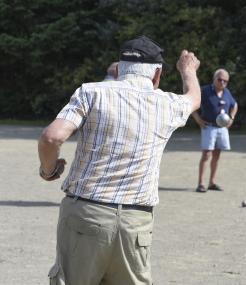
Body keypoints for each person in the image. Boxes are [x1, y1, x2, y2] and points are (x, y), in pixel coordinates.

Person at [38, 35, 201, 284]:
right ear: (157, 75)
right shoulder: (166, 104)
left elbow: (52, 137)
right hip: (135, 223)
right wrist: (187, 70)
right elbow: (194, 98)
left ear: (119, 68)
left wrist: (48, 169)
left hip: (86, 214)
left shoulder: (90, 93)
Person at [191, 69, 238, 192]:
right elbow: (192, 104)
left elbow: (235, 105)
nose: (222, 82)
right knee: (206, 154)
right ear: (214, 79)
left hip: (222, 129)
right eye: (220, 79)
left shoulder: (227, 92)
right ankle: (201, 184)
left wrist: (232, 118)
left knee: (217, 154)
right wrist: (198, 119)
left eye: (225, 81)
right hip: (209, 127)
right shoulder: (205, 91)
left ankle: (212, 182)